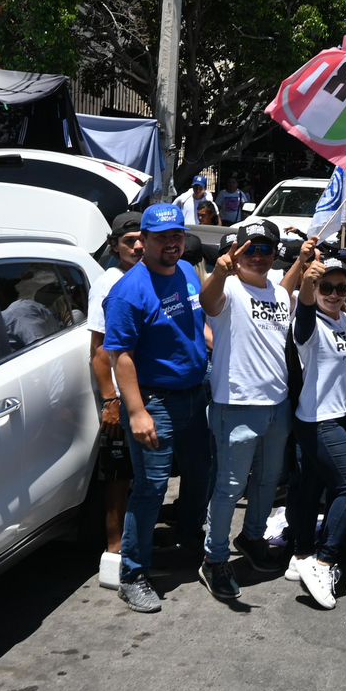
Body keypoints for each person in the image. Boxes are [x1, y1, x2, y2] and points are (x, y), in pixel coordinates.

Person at [104, 203, 213, 613]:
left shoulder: (186, 271)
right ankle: (132, 573)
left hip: (194, 395)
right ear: (143, 242)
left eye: (177, 235)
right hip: (157, 401)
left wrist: (209, 342)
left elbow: (194, 320)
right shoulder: (129, 292)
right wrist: (135, 411)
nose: (172, 243)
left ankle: (188, 545)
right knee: (150, 489)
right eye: (162, 237)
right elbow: (120, 355)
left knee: (200, 474)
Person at [197, 219, 294, 602]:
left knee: (268, 482)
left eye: (265, 249)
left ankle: (252, 537)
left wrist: (301, 264)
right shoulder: (228, 289)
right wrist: (219, 273)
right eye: (249, 248)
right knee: (229, 487)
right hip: (236, 404)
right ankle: (214, 558)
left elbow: (282, 306)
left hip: (278, 404)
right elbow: (209, 303)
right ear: (234, 252)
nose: (257, 255)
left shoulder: (280, 292)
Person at [287, 252, 346, 610]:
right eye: (326, 287)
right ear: (315, 287)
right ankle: (324, 561)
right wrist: (306, 280)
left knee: (310, 487)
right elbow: (304, 309)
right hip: (319, 420)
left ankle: (302, 553)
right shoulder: (307, 325)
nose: (334, 293)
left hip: (344, 417)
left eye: (340, 287)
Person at [88, 211, 143, 590]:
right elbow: (98, 350)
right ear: (115, 246)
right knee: (118, 477)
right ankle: (115, 549)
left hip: (151, 392)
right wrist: (111, 399)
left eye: (143, 240)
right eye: (129, 242)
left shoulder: (154, 276)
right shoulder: (107, 284)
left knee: (145, 476)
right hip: (122, 399)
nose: (137, 246)